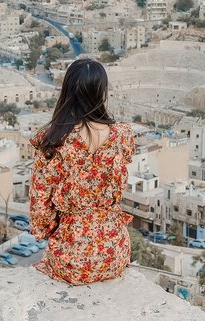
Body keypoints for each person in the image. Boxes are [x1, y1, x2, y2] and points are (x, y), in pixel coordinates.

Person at [29, 57, 134, 285]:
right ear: (102, 93)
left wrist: (49, 230)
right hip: (114, 251)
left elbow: (40, 202)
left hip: (72, 256)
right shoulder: (122, 136)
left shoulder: (53, 141)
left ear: (66, 93)